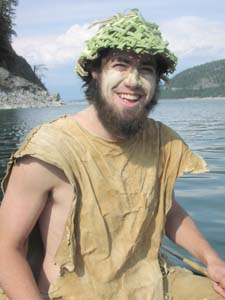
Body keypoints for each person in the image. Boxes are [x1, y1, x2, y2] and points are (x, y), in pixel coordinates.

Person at [0, 9, 225, 300]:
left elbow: (166, 209)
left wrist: (212, 259)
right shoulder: (49, 150)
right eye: (120, 65)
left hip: (152, 283)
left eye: (146, 69)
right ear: (95, 71)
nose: (133, 80)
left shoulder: (159, 141)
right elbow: (6, 247)